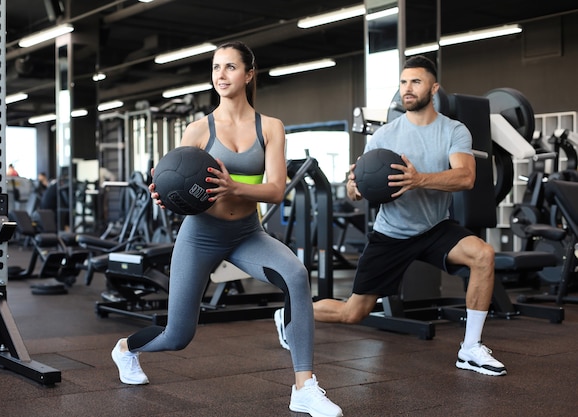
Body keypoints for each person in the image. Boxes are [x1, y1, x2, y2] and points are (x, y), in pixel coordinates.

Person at [110, 41, 343, 417]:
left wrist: (235, 186)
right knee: (177, 336)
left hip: (247, 234)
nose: (221, 75)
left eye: (231, 67)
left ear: (249, 74)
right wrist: (163, 195)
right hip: (200, 235)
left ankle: (304, 386)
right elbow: (174, 183)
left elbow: (276, 190)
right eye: (216, 67)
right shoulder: (198, 129)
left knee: (297, 275)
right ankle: (126, 349)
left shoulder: (270, 127)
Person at [276, 55, 506, 377]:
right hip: (392, 233)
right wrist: (356, 186)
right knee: (353, 313)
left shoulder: (454, 130)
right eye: (403, 83)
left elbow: (465, 177)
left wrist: (418, 179)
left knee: (483, 255)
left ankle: (470, 349)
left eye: (416, 82)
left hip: (435, 227)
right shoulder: (384, 136)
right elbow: (357, 190)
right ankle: (288, 315)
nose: (406, 90)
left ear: (434, 87)